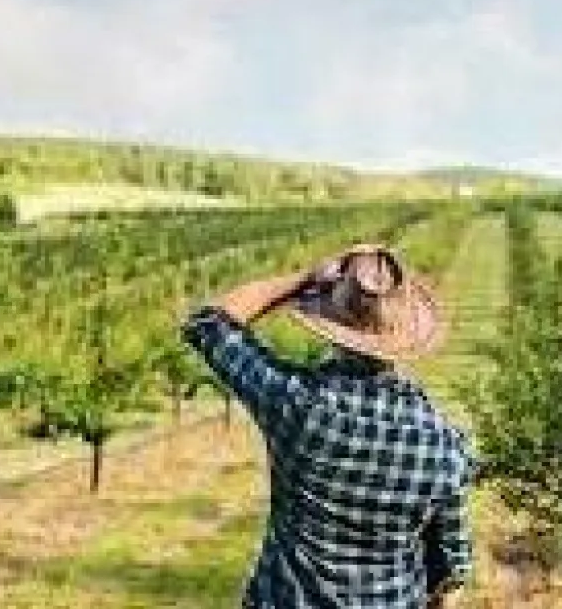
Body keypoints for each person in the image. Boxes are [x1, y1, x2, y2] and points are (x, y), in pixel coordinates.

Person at [181, 244, 475, 608]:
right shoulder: (445, 448)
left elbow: (209, 323)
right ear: (406, 333)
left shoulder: (294, 402)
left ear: (331, 324)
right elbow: (451, 572)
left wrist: (303, 279)